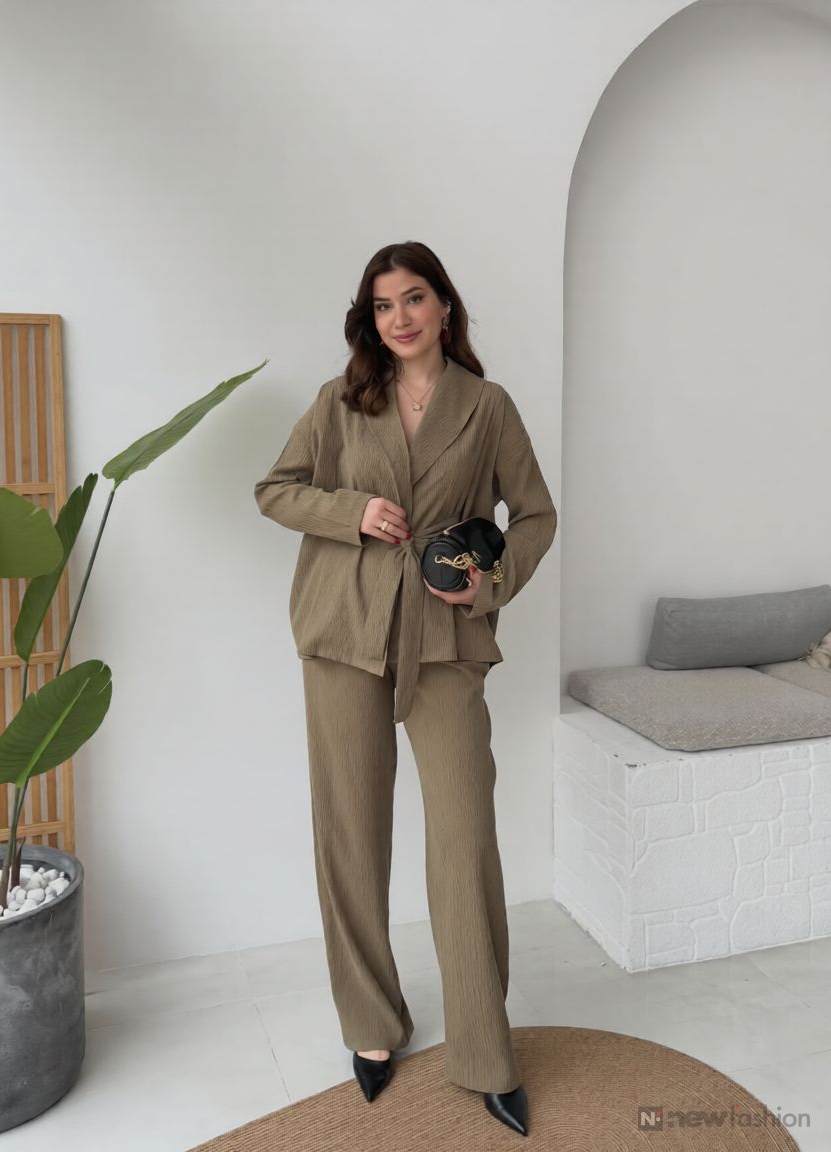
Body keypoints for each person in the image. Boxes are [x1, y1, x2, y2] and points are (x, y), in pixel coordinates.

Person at [254, 241, 557, 1137]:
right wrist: (351, 511)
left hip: (445, 640)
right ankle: (371, 1024)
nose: (401, 318)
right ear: (371, 321)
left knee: (463, 838)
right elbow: (275, 489)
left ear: (444, 306)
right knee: (351, 832)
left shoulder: (488, 407)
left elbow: (535, 515)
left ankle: (484, 1049)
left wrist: (487, 585)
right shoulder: (340, 401)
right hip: (343, 633)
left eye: (414, 298)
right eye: (384, 306)